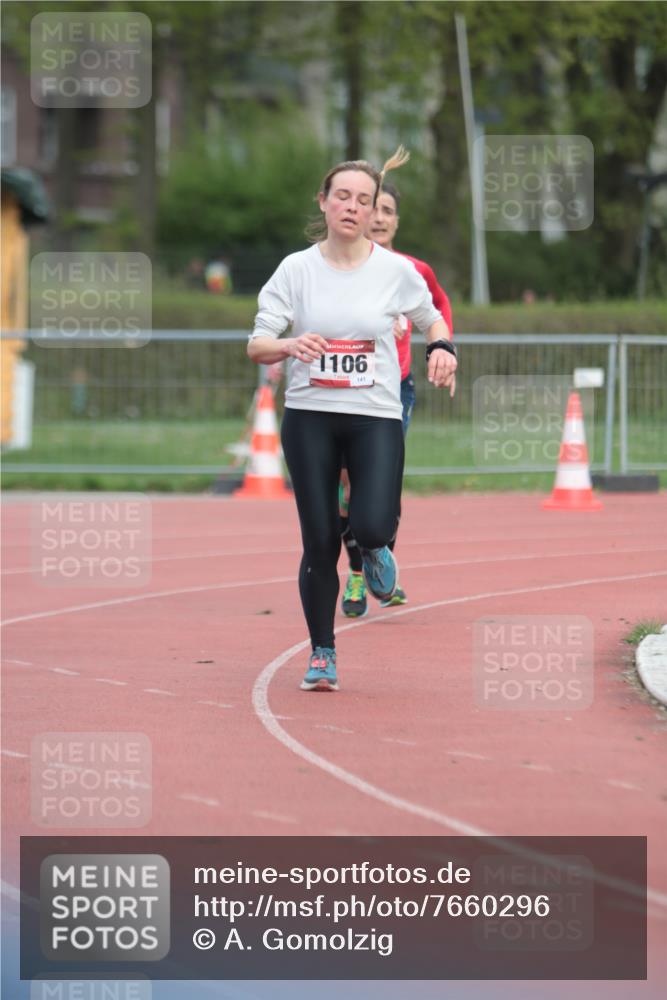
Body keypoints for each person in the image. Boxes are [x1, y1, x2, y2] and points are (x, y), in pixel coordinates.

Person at [247, 147, 457, 692]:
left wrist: (444, 350)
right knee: (318, 541)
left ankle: (378, 547)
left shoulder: (396, 271)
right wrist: (291, 344)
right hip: (311, 414)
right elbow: (258, 344)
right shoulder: (296, 269)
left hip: (374, 415)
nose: (353, 207)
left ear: (374, 212)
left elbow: (431, 317)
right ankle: (322, 651)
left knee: (369, 525)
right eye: (342, 195)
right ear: (323, 202)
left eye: (364, 200)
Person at [339, 181, 454, 618]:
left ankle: (379, 559)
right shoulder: (342, 266)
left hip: (395, 389)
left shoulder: (412, 270)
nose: (381, 217)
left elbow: (438, 309)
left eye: (389, 210)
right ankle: (355, 571)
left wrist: (445, 352)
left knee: (380, 483)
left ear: (397, 220)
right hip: (345, 392)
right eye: (375, 208)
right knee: (346, 487)